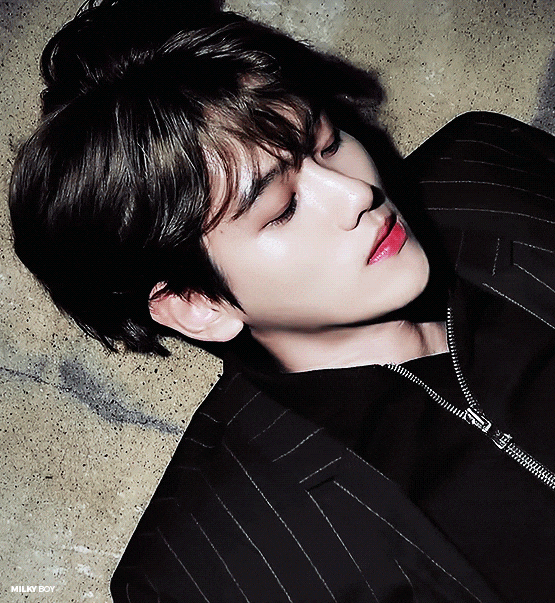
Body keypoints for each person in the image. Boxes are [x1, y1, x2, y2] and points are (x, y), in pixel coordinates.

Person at [8, 1, 555, 601]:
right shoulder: (209, 574)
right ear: (197, 303)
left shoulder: (492, 170)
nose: (355, 193)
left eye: (327, 144)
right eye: (283, 208)